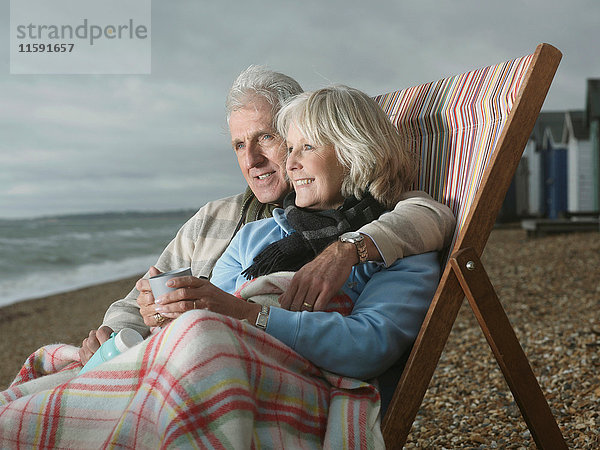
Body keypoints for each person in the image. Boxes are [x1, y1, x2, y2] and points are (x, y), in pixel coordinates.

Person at [79, 66, 455, 365]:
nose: (250, 160)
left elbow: (429, 215)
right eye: (239, 145)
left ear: (349, 149)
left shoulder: (391, 228)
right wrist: (134, 323)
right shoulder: (226, 222)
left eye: (267, 138)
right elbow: (150, 300)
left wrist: (348, 248)